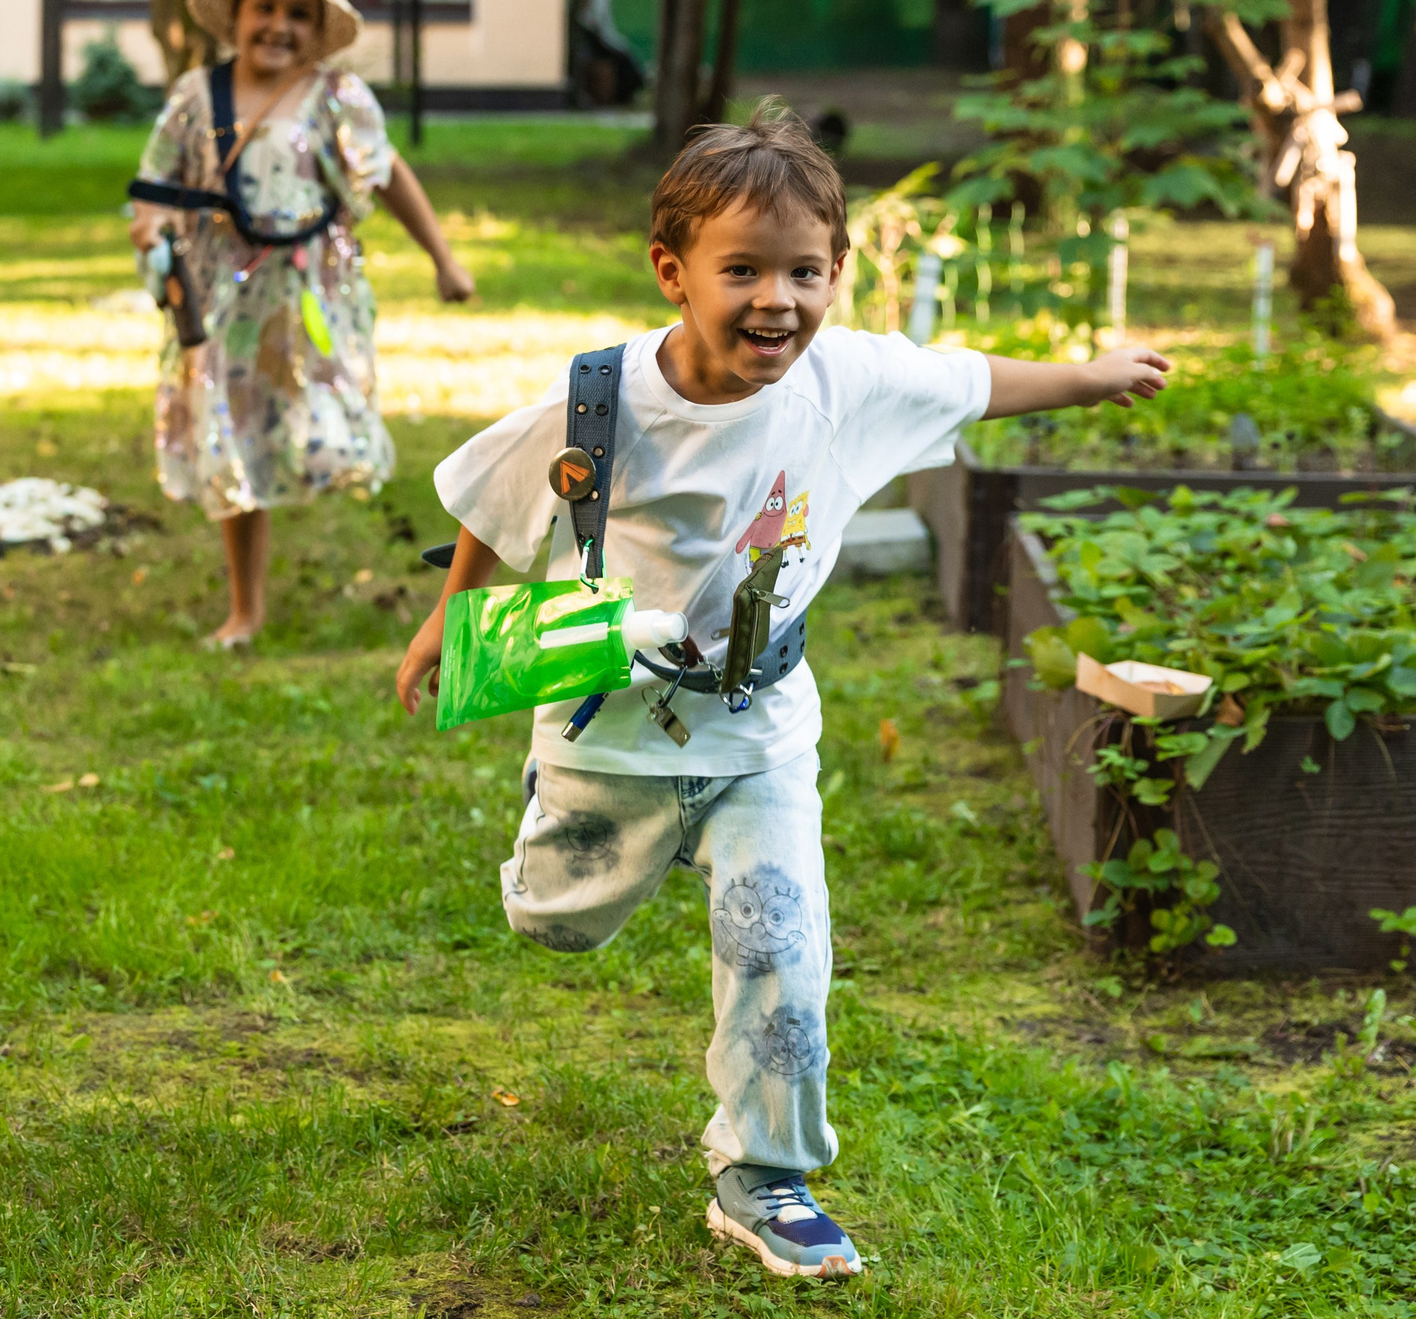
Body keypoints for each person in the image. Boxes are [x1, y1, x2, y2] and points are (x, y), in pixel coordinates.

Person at [392, 105, 1168, 1280]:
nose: (777, 301)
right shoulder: (601, 398)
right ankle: (580, 842)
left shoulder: (844, 381)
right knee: (555, 919)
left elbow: (971, 379)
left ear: (837, 272)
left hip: (760, 737)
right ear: (672, 272)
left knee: (780, 942)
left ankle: (765, 1177)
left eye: (804, 272)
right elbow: (495, 499)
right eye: (743, 271)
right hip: (608, 727)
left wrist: (1092, 376)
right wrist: (447, 618)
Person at [131, 0, 475, 649]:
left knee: (319, 429)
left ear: (320, 29)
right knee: (230, 437)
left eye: (299, 13)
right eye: (265, 7)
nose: (279, 26)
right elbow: (155, 181)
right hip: (222, 307)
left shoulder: (337, 96)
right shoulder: (198, 95)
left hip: (307, 301)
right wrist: (152, 231)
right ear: (237, 12)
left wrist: (443, 259)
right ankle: (245, 608)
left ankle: (349, 540)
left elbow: (389, 174)